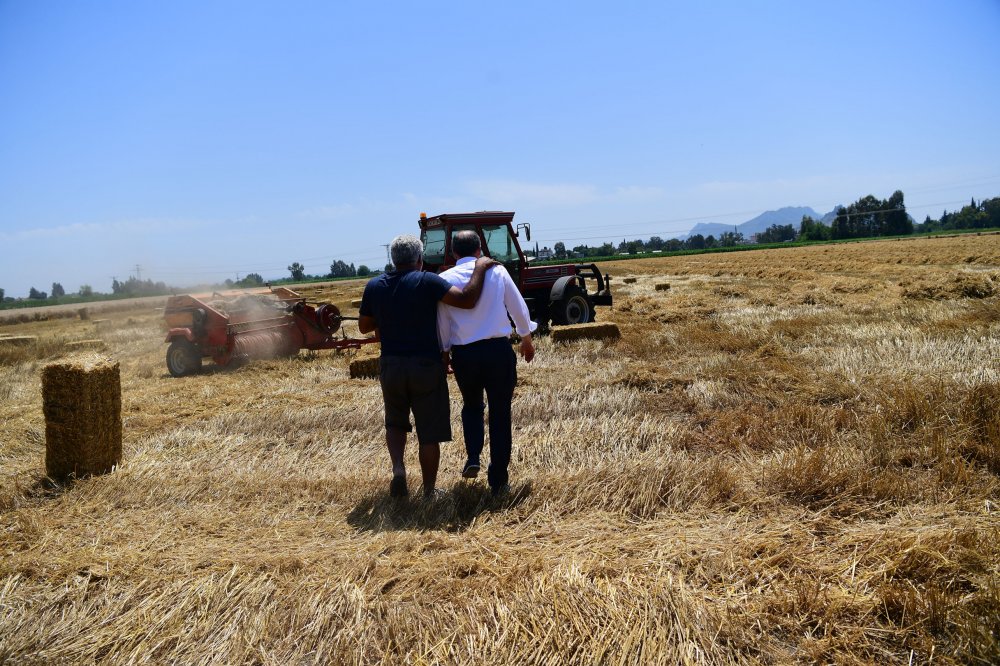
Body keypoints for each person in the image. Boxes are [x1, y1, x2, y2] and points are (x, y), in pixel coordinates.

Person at [358, 234, 496, 499]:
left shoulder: (375, 285)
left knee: (395, 422)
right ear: (420, 259)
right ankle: (430, 491)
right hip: (425, 365)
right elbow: (467, 299)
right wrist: (479, 267)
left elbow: (364, 327)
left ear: (393, 259)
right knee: (429, 432)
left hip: (391, 366)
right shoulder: (427, 281)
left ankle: (399, 469)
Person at [437, 230, 536, 497]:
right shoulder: (497, 272)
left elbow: (443, 322)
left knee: (471, 406)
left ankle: (473, 457)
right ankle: (499, 480)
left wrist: (445, 352)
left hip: (465, 355)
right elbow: (517, 307)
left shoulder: (444, 280)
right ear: (479, 248)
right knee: (500, 413)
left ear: (454, 252)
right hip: (497, 351)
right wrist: (526, 338)